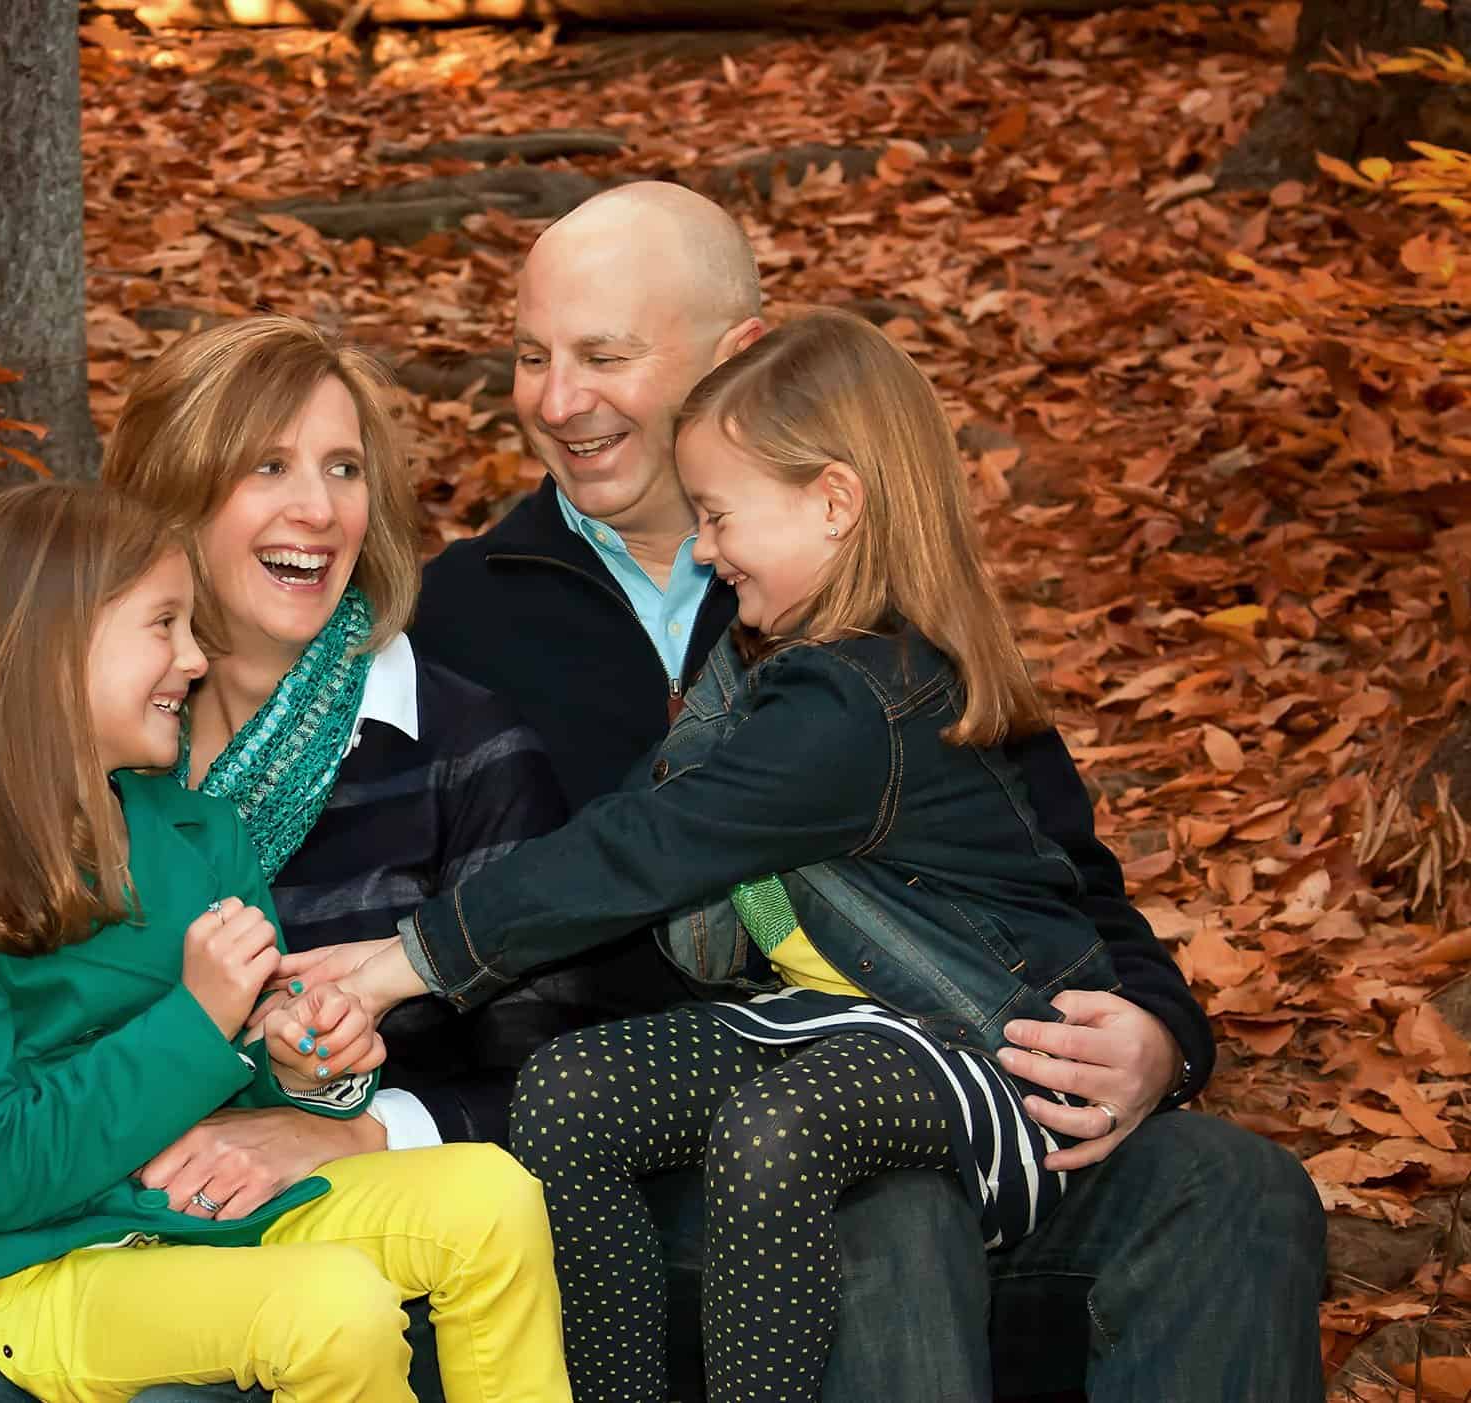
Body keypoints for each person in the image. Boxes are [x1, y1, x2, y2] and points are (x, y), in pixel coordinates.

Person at [400, 184, 1323, 1401]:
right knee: (884, 1215)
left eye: (604, 355)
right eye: (530, 356)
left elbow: (1054, 881)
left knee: (1237, 1188)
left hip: (935, 1072)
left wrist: (1154, 1035)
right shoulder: (457, 617)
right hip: (664, 1146)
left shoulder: (870, 603)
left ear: (738, 359)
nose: (556, 399)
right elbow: (467, 911)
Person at [0, 318, 602, 1403]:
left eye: (343, 468)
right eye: (269, 464)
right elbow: (4, 1123)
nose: (319, 506)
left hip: (281, 1225)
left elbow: (546, 1076)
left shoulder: (433, 760)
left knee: (470, 1208)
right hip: (89, 1258)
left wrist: (324, 1090)